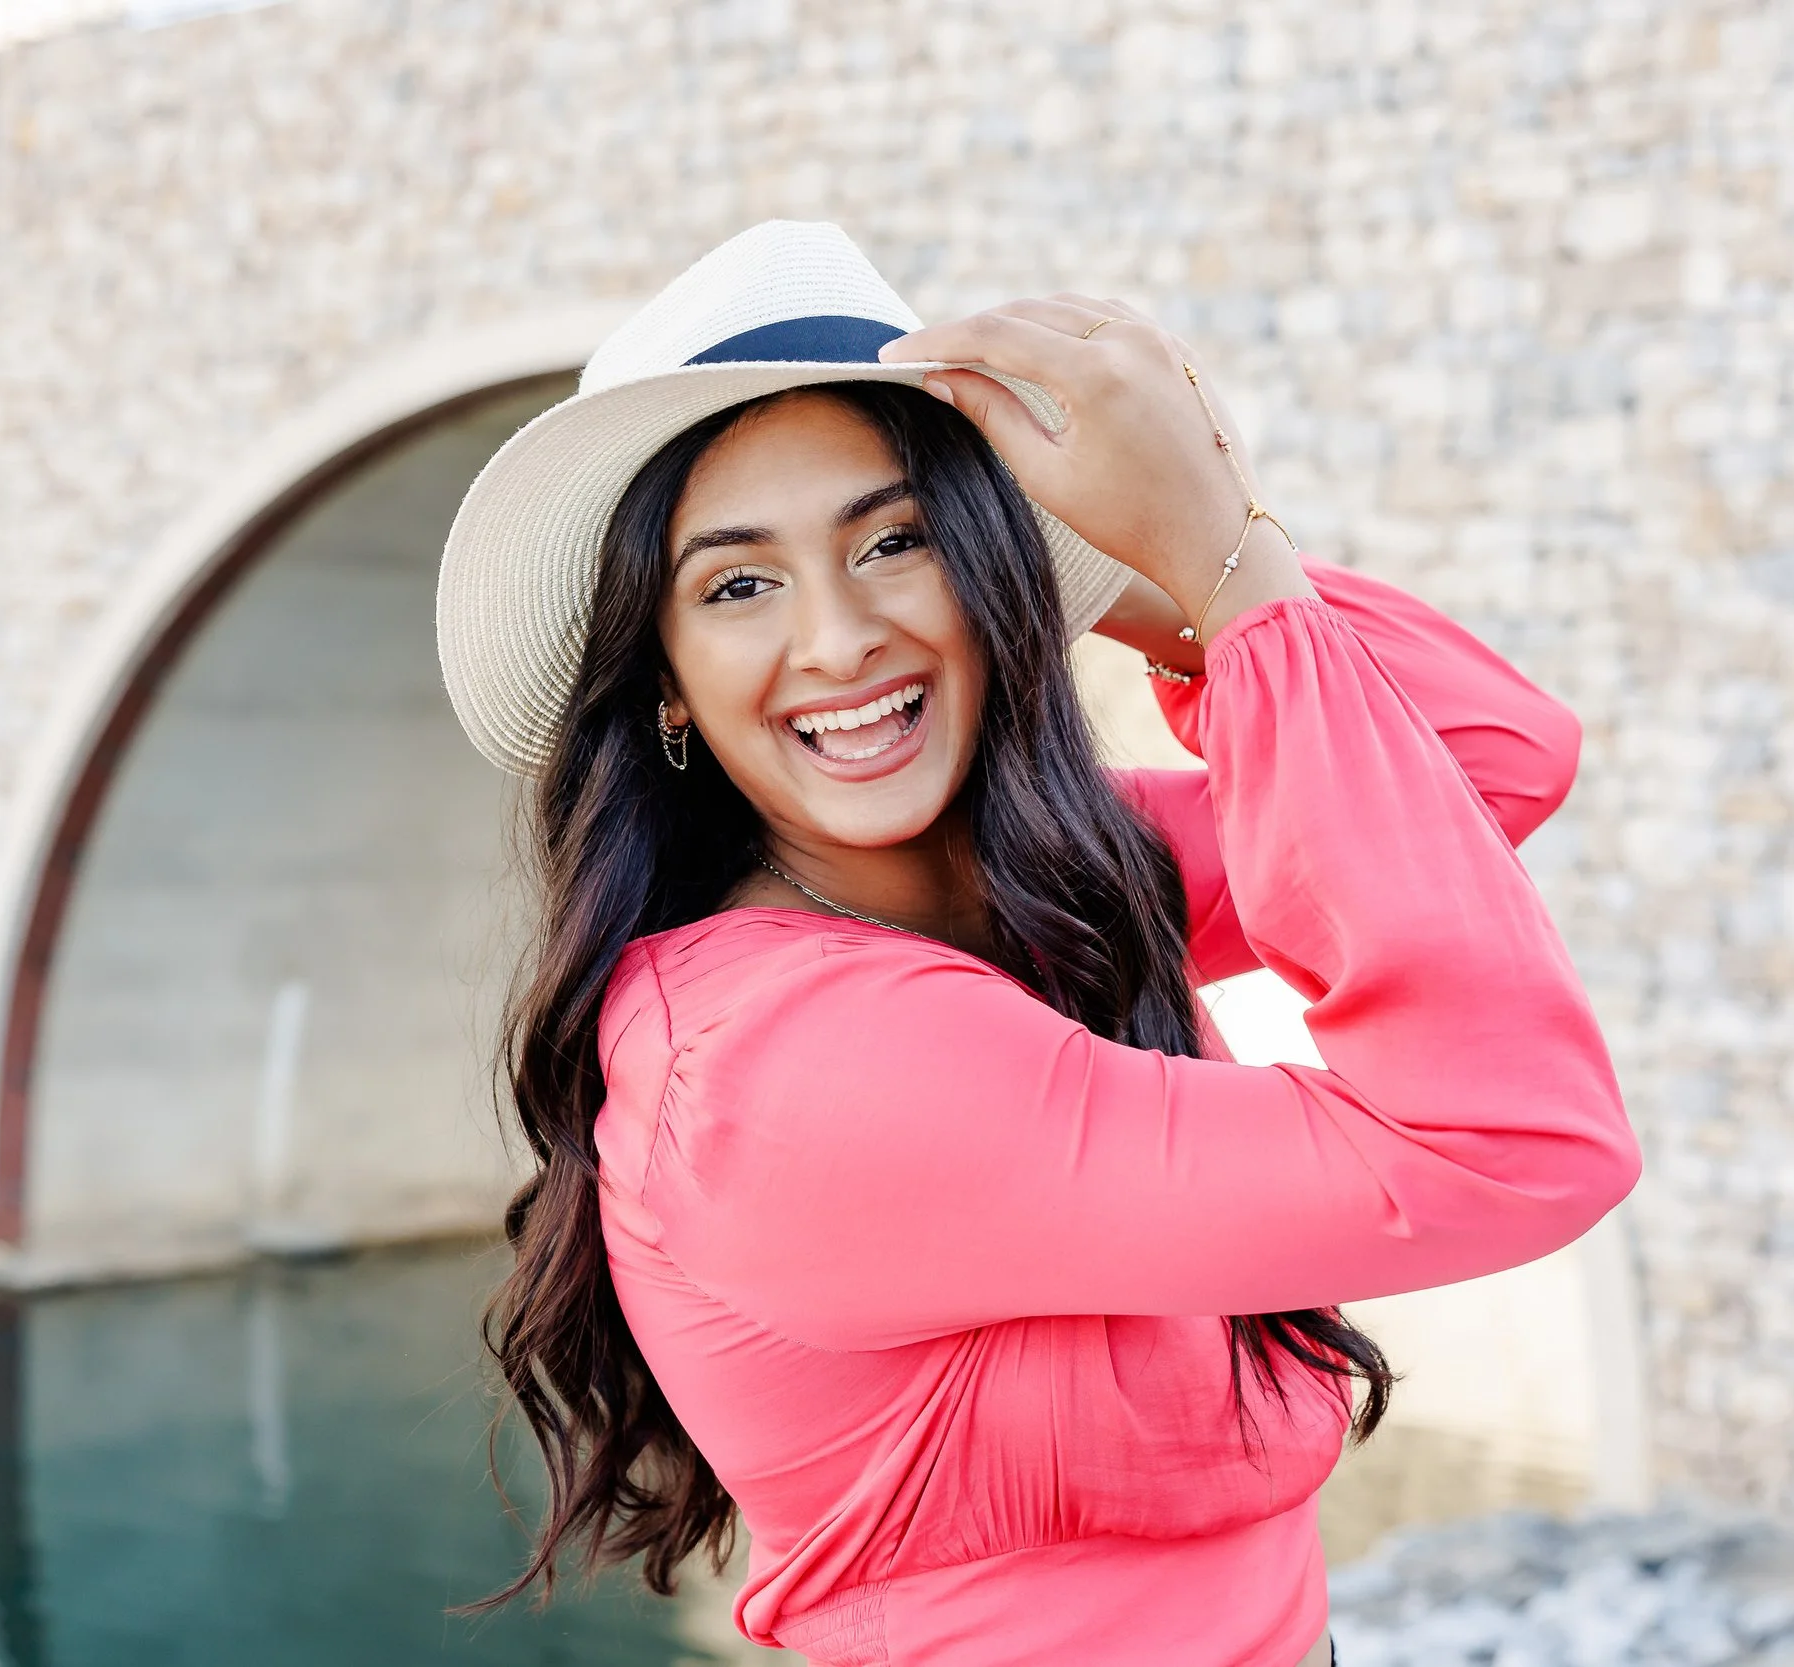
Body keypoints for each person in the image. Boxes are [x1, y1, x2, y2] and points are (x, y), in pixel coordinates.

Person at [435, 222, 1637, 1666]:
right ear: (667, 685)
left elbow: (1491, 757)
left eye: (899, 541)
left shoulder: (1025, 876)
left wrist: (1140, 562)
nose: (837, 639)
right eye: (739, 584)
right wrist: (1216, 562)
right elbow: (1508, 1143)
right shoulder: (792, 1066)